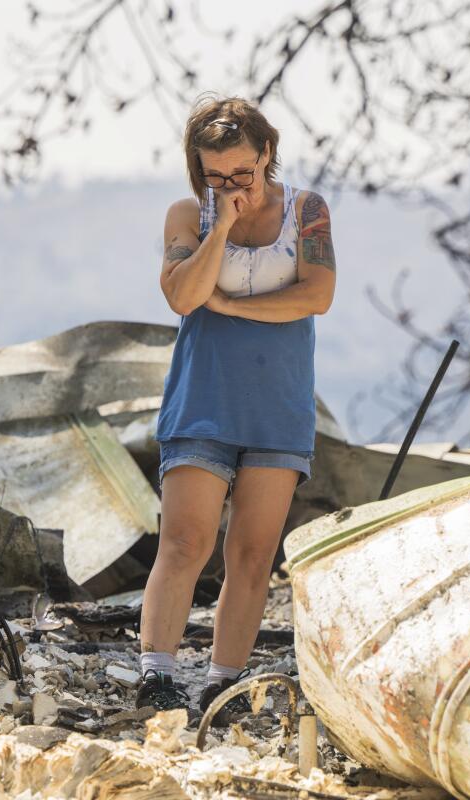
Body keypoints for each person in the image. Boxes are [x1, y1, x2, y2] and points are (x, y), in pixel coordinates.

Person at [137, 94, 336, 723]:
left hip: (277, 408)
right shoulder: (184, 217)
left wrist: (231, 309)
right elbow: (183, 294)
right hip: (204, 401)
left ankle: (224, 682)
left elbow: (317, 296)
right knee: (185, 542)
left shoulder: (308, 212)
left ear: (267, 155)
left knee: (252, 553)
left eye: (242, 173)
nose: (230, 185)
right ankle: (157, 675)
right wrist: (219, 227)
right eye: (215, 175)